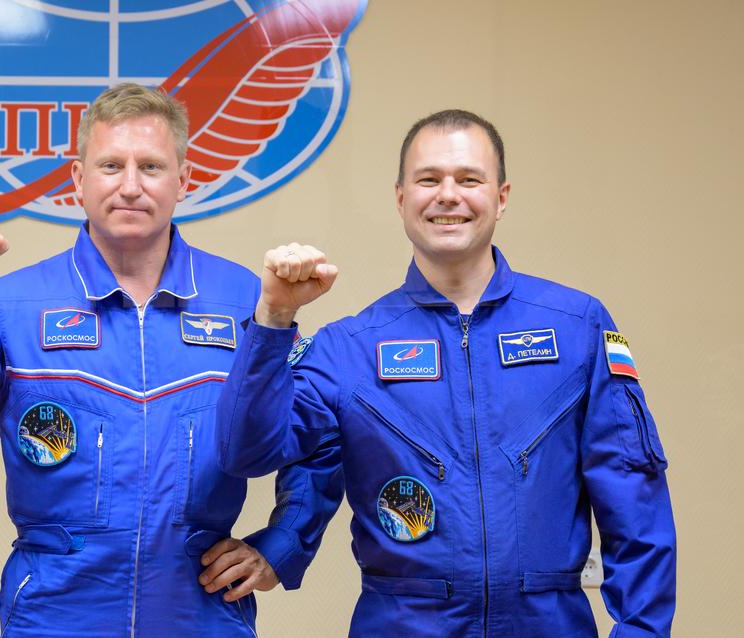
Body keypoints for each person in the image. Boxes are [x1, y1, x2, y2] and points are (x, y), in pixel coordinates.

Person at [0, 83, 340, 636]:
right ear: (77, 179)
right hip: (54, 616)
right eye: (111, 165)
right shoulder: (12, 306)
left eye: (151, 166)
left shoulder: (251, 303)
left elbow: (318, 434)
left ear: (183, 181)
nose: (130, 186)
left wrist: (281, 545)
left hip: (200, 615)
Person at [216, 109, 676, 637]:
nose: (448, 195)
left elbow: (634, 499)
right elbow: (245, 453)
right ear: (401, 198)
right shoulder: (349, 348)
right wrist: (273, 320)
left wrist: (640, 629)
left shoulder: (577, 327)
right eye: (429, 179)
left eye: (469, 179)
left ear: (501, 197)